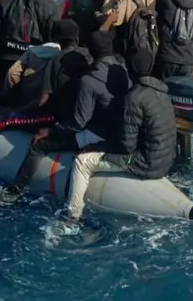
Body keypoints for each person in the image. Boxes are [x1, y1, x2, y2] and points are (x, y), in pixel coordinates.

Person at [0, 29, 129, 206]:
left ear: (90, 50)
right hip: (119, 131)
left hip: (97, 133)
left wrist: (51, 129)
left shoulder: (89, 80)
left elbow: (79, 122)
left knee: (39, 147)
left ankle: (13, 193)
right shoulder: (122, 69)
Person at [65, 31, 176, 224]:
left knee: (82, 162)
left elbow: (126, 147)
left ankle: (72, 216)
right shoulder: (162, 91)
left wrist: (98, 148)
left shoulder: (133, 98)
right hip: (166, 160)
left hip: (146, 163)